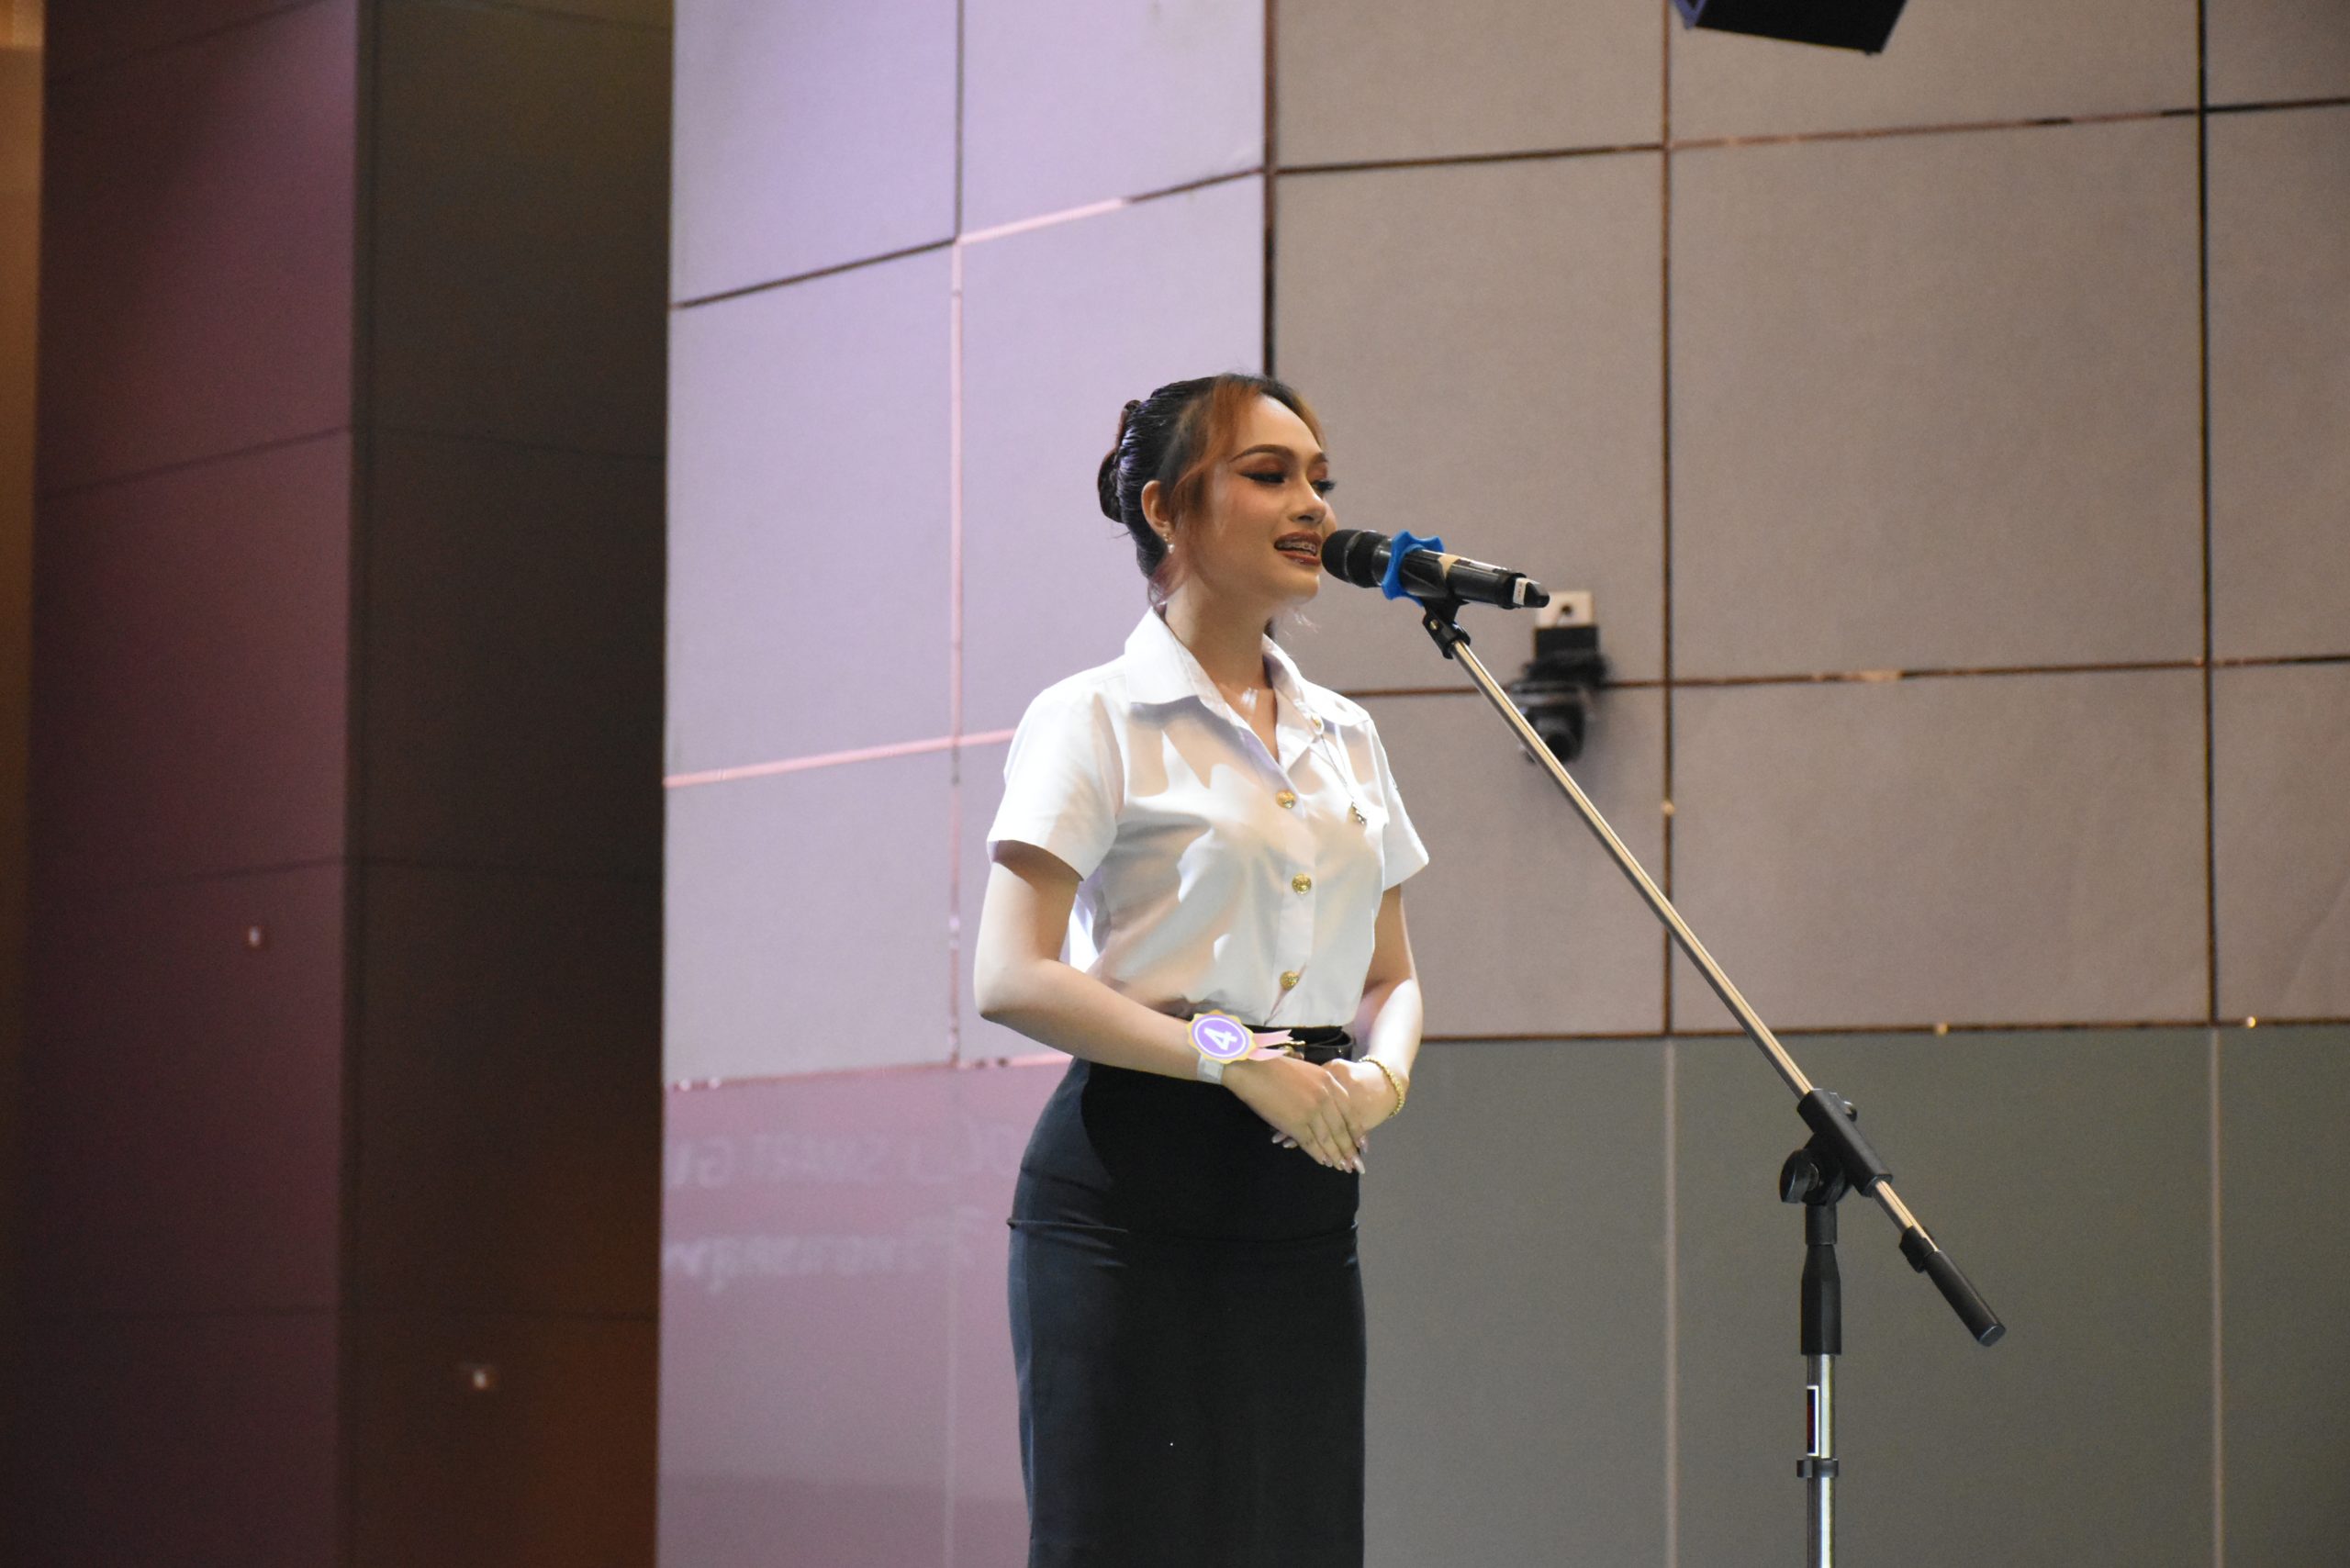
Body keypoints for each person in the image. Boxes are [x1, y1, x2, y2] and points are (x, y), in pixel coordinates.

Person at [970, 371, 1431, 1567]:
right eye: (1270, 476)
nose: (1314, 506)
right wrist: (1233, 1056)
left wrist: (1380, 1080)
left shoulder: (1348, 734)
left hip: (1303, 1192)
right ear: (1167, 508)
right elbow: (1010, 976)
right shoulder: (1093, 715)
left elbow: (1389, 979)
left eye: (1321, 480)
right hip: (1131, 1188)